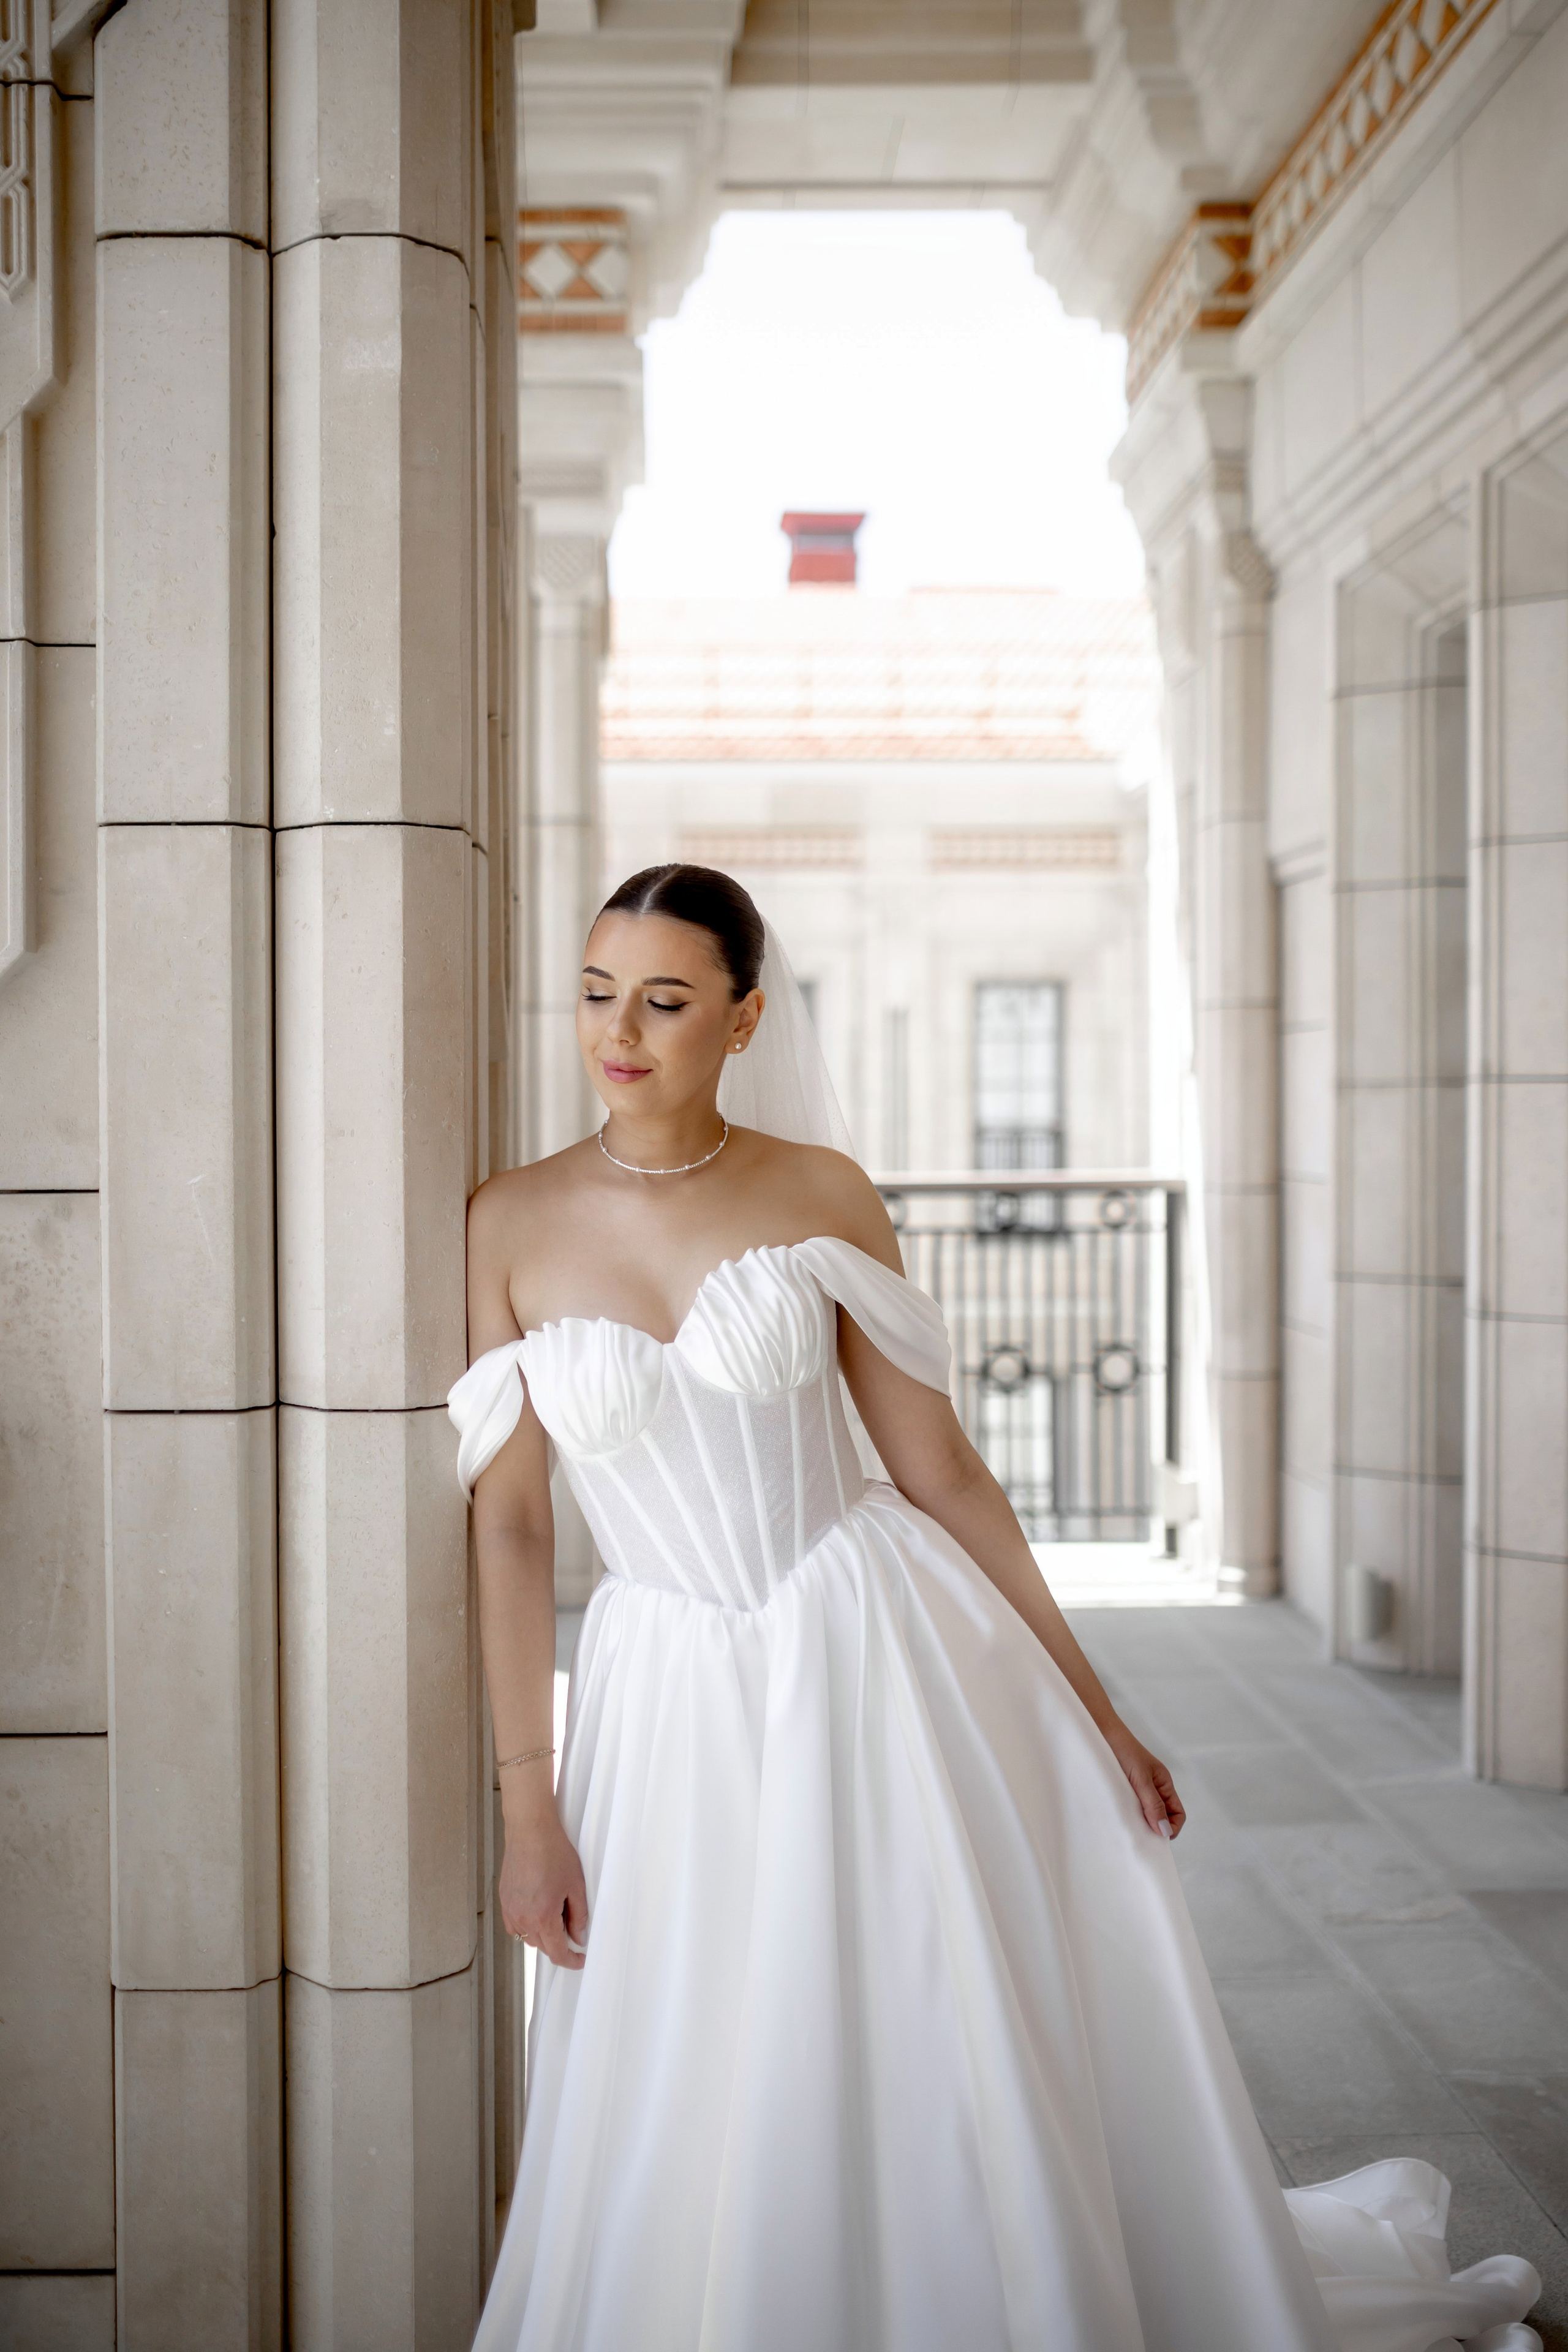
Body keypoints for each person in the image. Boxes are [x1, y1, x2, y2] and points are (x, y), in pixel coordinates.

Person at [452, 864, 1541, 2352]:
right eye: (595, 993)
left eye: (663, 999)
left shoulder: (818, 1192)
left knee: (902, 2009)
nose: (618, 1031)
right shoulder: (507, 1220)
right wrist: (529, 1806)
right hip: (662, 1684)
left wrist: (1093, 1705)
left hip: (860, 1647)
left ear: (744, 1015)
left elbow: (940, 1470)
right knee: (690, 2042)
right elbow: (509, 1524)